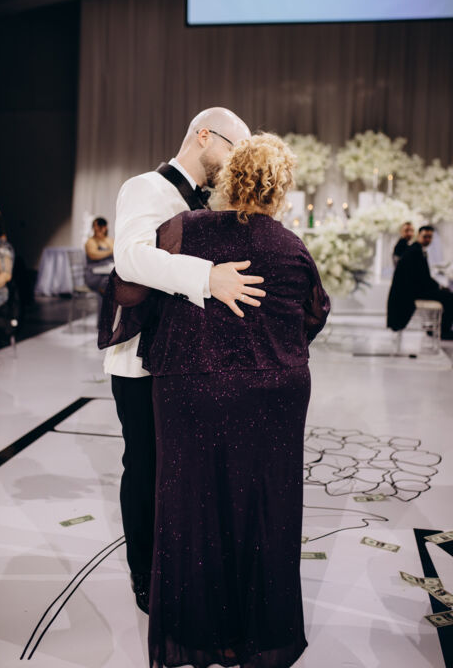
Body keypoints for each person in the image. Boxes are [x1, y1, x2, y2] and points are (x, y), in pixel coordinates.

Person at [132, 133, 330, 668]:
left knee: (191, 506)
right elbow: (314, 312)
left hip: (190, 386)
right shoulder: (291, 245)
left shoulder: (183, 229)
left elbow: (131, 291)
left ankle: (197, 635)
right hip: (273, 391)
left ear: (228, 178)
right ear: (280, 189)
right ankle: (259, 634)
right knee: (265, 507)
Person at [102, 108, 266, 614]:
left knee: (180, 471)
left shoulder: (208, 202)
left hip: (183, 363)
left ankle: (178, 563)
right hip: (141, 363)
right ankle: (144, 573)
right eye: (234, 149)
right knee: (145, 467)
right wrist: (206, 277)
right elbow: (130, 258)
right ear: (203, 135)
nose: (237, 162)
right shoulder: (145, 187)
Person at [387, 225, 453, 339]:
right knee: (450, 297)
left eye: (430, 237)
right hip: (414, 291)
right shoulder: (415, 251)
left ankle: (439, 329)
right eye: (425, 236)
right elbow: (421, 278)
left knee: (447, 294)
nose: (428, 239)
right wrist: (438, 287)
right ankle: (443, 331)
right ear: (419, 235)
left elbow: (423, 277)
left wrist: (438, 286)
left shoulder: (417, 250)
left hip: (416, 289)